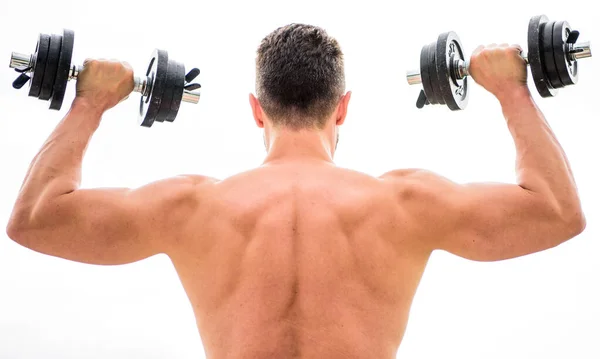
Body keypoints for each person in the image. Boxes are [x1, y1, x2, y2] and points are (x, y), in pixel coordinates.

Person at [6, 24, 585, 358]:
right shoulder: (406, 204)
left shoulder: (190, 206)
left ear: (257, 111)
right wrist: (513, 92)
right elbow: (556, 213)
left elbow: (35, 219)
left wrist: (89, 102)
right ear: (344, 108)